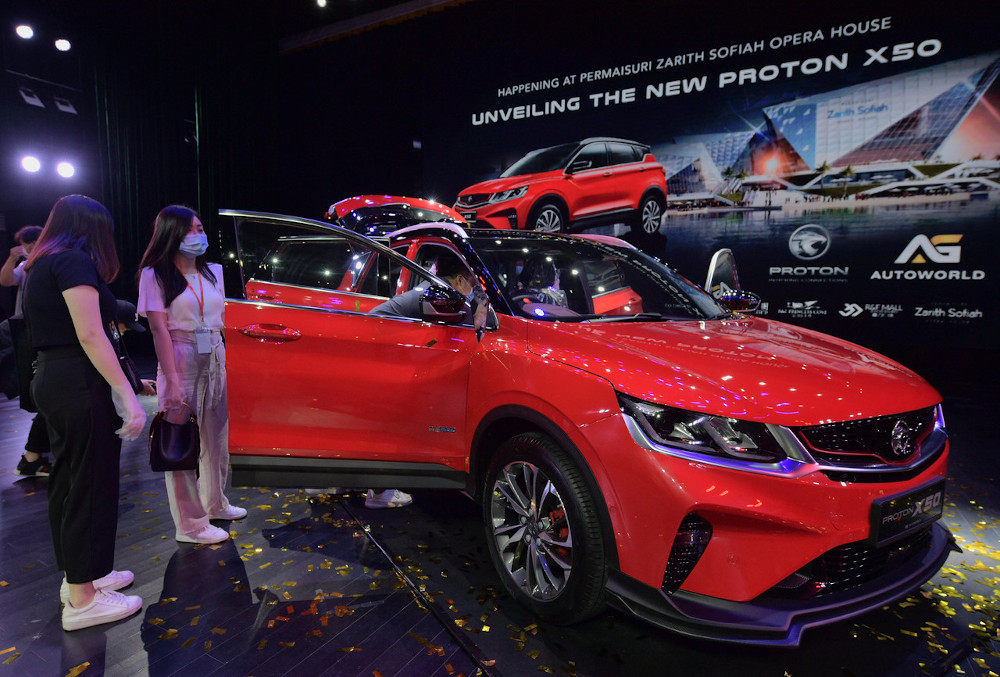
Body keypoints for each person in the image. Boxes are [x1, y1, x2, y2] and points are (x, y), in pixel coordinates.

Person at [21, 195, 146, 631]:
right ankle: (82, 598)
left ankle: (84, 576)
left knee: (71, 480)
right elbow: (91, 334)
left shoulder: (43, 263)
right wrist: (125, 395)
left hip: (55, 378)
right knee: (89, 484)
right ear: (94, 229)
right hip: (78, 379)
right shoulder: (73, 261)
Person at [137, 205, 244, 545]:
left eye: (200, 228)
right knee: (181, 442)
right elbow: (158, 329)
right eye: (190, 230)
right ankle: (190, 524)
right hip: (180, 354)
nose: (198, 235)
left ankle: (214, 502)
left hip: (214, 352)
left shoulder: (213, 271)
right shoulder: (155, 274)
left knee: (217, 436)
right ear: (172, 234)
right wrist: (170, 380)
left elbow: (222, 319)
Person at [363, 251, 488, 509]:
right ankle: (379, 490)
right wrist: (406, 348)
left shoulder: (445, 292)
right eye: (472, 282)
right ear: (458, 280)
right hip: (402, 375)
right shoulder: (426, 294)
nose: (473, 288)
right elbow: (374, 319)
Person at [2, 225, 53, 477]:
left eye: (32, 241)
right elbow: (5, 280)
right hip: (26, 334)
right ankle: (33, 455)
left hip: (38, 334)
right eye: (25, 243)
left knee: (44, 397)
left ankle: (35, 454)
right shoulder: (27, 266)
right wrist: (13, 257)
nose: (29, 247)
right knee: (41, 395)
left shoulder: (46, 261)